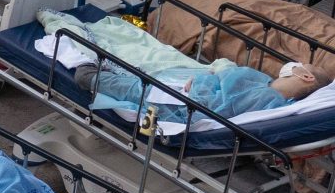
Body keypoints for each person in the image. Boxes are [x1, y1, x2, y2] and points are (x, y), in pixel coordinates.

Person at [75, 58, 332, 124]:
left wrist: (199, 83)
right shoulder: (266, 87)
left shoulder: (264, 96)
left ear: (305, 76)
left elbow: (214, 105)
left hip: (180, 105)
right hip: (191, 93)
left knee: (135, 88)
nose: (294, 62)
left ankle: (89, 76)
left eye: (300, 64)